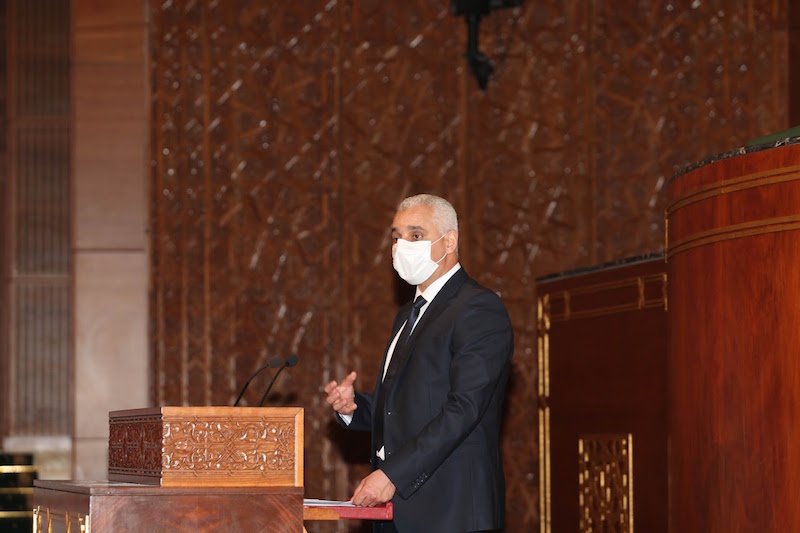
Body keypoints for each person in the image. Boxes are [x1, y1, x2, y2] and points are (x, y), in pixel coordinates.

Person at [324, 194, 514, 532]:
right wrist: (356, 408)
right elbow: (409, 408)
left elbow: (464, 408)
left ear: (449, 241)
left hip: (451, 512)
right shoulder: (408, 314)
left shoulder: (478, 308)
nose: (402, 246)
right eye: (396, 237)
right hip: (398, 512)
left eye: (415, 235)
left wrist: (392, 475)